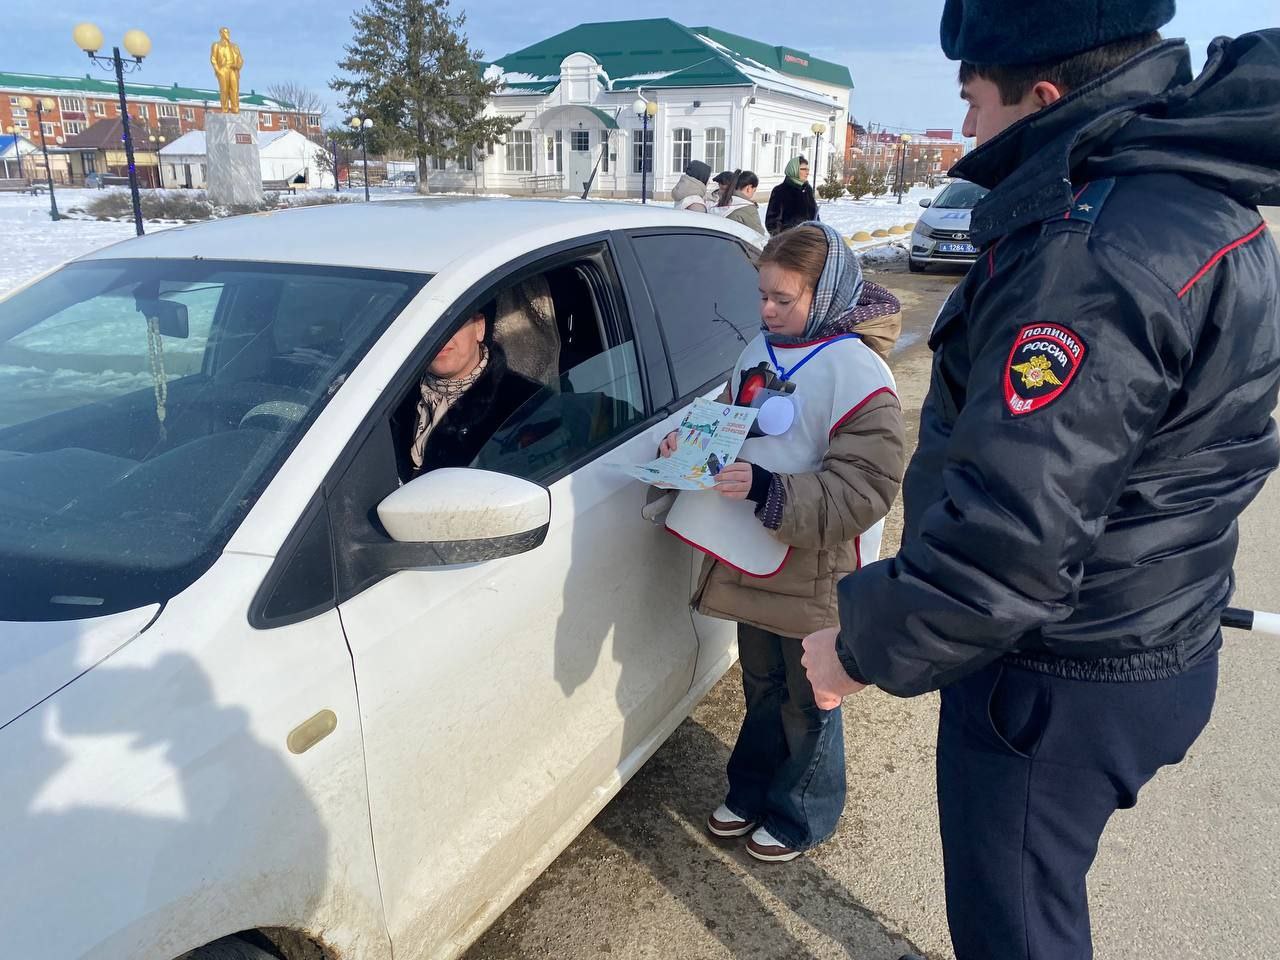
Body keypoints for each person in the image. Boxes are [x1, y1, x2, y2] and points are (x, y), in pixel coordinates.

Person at [800, 4, 1280, 958]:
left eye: (974, 100)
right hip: (1148, 630)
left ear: (1044, 96)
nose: (966, 127)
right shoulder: (1191, 197)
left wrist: (858, 645)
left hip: (1059, 676)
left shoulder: (1087, 255)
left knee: (1015, 927)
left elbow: (1008, 544)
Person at [660, 223, 906, 863]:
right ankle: (751, 790)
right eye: (762, 295)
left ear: (825, 295)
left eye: (783, 299)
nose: (767, 310)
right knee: (762, 683)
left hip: (815, 565)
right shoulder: (760, 349)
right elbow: (728, 420)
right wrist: (687, 444)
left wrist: (770, 488)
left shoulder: (858, 373)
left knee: (809, 696)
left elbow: (868, 486)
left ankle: (801, 813)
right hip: (754, 554)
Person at [394, 304, 543, 478]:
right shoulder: (391, 399)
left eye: (453, 322)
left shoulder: (529, 403)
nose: (441, 335)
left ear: (479, 327)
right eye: (429, 326)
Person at [765, 156, 818, 234]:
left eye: (808, 169)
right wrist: (782, 237)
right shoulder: (780, 191)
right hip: (789, 239)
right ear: (794, 170)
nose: (807, 172)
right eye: (803, 169)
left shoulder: (807, 189)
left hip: (809, 237)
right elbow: (772, 222)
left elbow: (815, 216)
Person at [708, 170, 766, 236]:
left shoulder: (721, 203)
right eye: (754, 190)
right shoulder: (748, 208)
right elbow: (759, 235)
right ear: (749, 188)